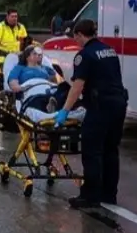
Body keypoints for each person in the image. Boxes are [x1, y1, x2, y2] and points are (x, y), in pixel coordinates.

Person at [54, 19, 128, 209]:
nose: (75, 41)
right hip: (118, 104)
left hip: (100, 106)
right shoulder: (109, 50)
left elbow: (78, 86)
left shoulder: (84, 55)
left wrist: (64, 111)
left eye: (75, 37)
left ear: (80, 34)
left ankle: (90, 196)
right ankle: (109, 194)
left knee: (92, 151)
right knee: (111, 150)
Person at [0, 8, 28, 73]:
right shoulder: (1, 27)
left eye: (16, 16)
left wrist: (22, 52)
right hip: (3, 58)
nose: (14, 18)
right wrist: (8, 52)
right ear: (7, 17)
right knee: (5, 75)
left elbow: (24, 42)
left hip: (17, 57)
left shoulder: (20, 27)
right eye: (12, 16)